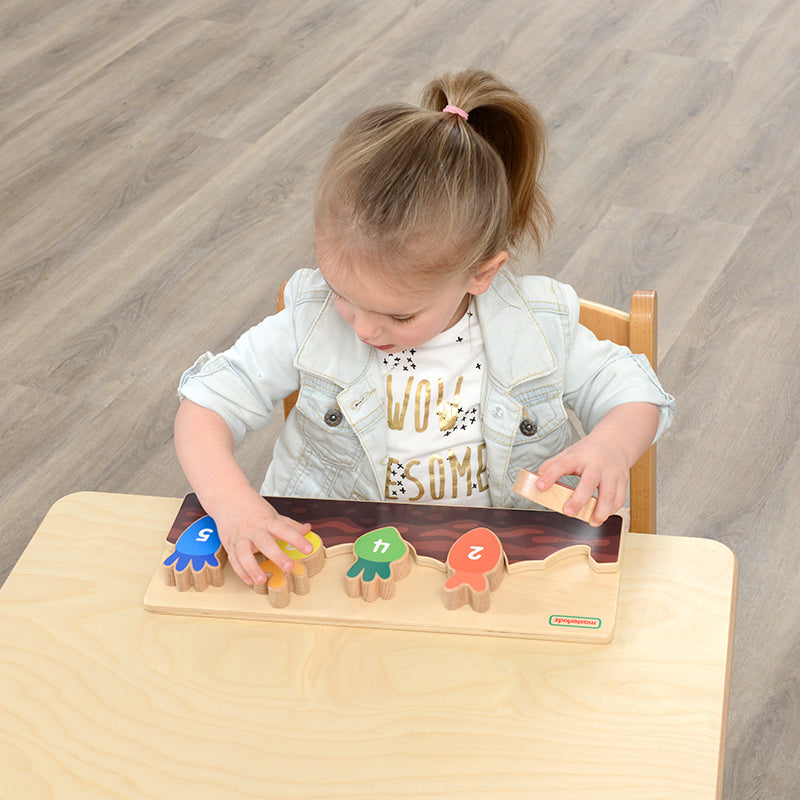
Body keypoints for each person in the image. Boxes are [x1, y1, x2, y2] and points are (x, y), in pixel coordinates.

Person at [174, 70, 675, 587]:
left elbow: (637, 393)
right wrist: (235, 507)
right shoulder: (312, 319)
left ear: (480, 274)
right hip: (343, 565)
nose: (364, 327)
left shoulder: (536, 326)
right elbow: (204, 407)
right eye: (343, 293)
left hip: (502, 569)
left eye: (399, 315)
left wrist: (611, 445)